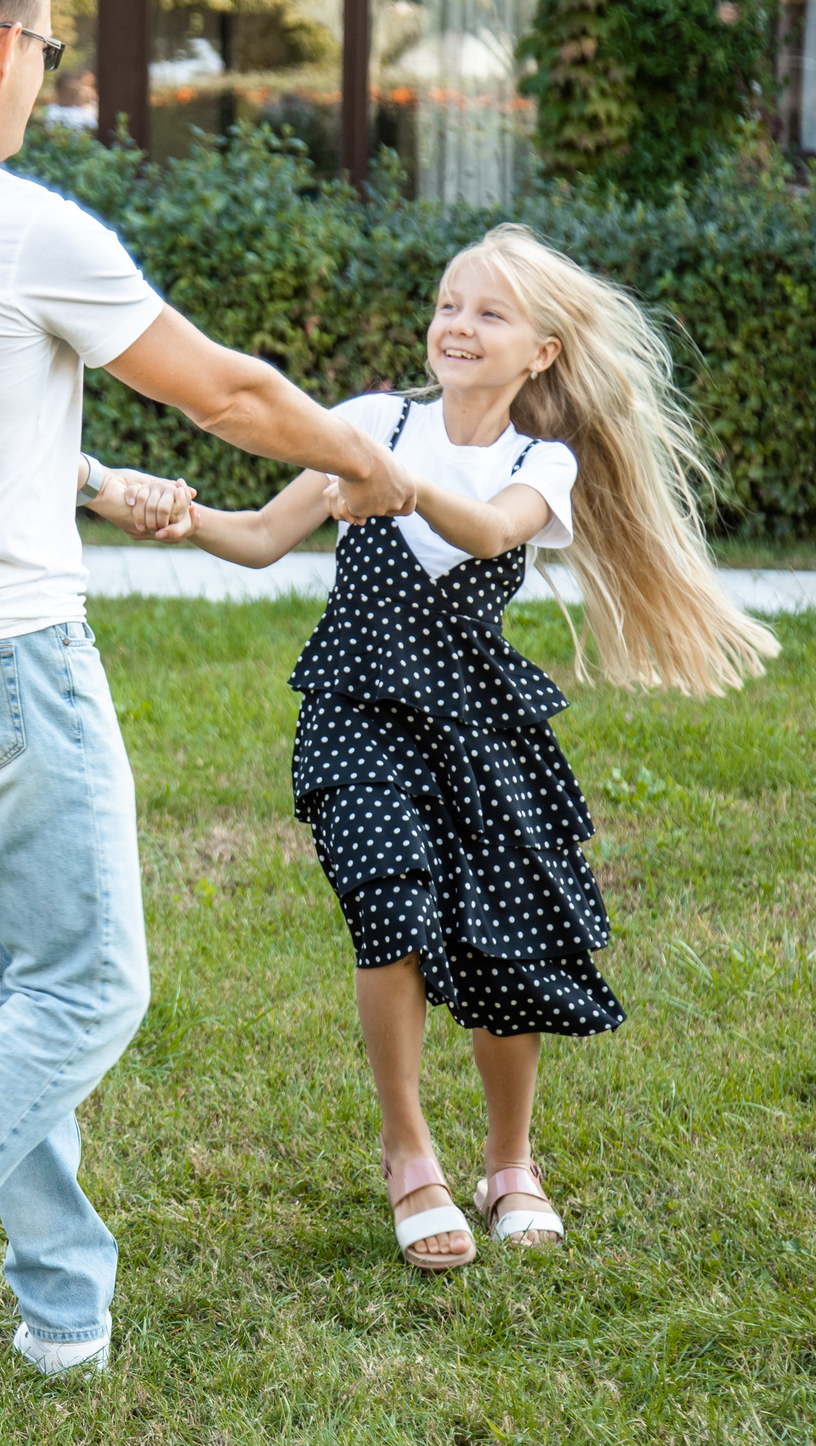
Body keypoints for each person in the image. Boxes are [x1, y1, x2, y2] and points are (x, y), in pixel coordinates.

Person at [0, 0, 415, 1411]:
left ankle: (63, 1309)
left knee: (21, 985)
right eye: (48, 48)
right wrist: (363, 460)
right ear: (5, 47)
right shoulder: (18, 223)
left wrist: (83, 477)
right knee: (92, 989)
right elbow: (237, 395)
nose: (43, 75)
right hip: (5, 657)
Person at [154, 224, 778, 1271]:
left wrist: (390, 483)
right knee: (388, 901)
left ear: (540, 351)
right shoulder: (368, 421)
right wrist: (178, 516)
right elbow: (263, 537)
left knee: (508, 936)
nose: (457, 325)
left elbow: (491, 532)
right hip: (356, 705)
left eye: (489, 313)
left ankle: (509, 1163)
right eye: (449, 304)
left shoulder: (545, 463)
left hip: (477, 716)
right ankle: (411, 1158)